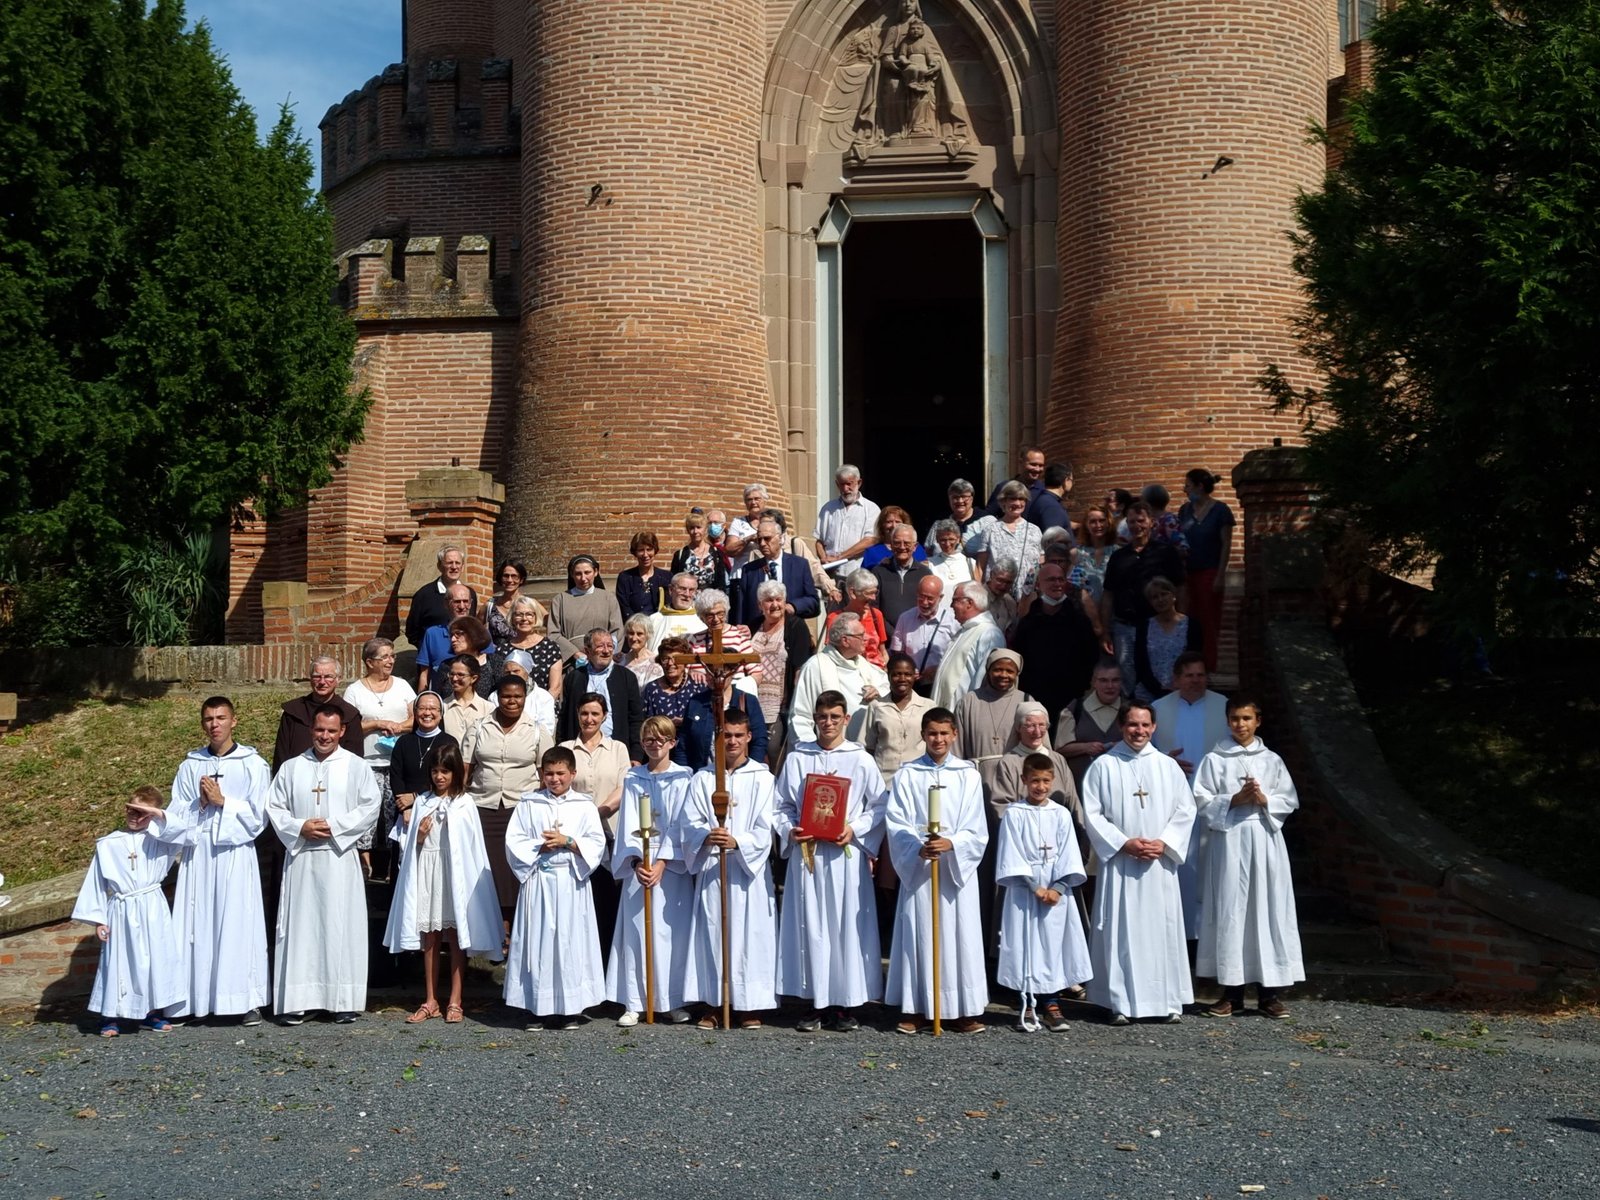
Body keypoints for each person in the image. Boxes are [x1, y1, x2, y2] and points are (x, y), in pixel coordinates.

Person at [774, 692, 887, 1031]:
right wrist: (790, 830)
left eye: (835, 717)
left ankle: (842, 1003)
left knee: (843, 926)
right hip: (808, 854)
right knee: (810, 924)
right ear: (814, 719)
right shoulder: (798, 758)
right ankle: (813, 1001)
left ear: (846, 719)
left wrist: (855, 829)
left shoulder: (860, 759)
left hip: (843, 856)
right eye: (822, 716)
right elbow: (780, 806)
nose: (828, 723)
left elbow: (879, 805)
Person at [156, 697, 271, 1026]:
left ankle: (244, 1000)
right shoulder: (190, 765)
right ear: (202, 724)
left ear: (234, 721)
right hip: (199, 854)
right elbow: (176, 812)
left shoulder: (253, 764)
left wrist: (224, 802)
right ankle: (193, 1000)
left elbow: (261, 815)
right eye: (209, 719)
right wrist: (200, 805)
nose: (215, 724)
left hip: (235, 853)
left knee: (238, 923)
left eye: (221, 718)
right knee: (196, 925)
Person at [1081, 701, 1196, 1025]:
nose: (1139, 731)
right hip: (1122, 863)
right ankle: (1119, 1001)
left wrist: (1165, 842)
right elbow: (1092, 813)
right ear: (1122, 726)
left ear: (1154, 727)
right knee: (1122, 930)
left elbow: (1186, 810)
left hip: (1158, 864)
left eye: (1145, 725)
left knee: (1162, 929)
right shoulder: (1104, 766)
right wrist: (1123, 842)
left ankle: (1167, 1000)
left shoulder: (1168, 767)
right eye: (1133, 724)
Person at [266, 705, 381, 1025]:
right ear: (311, 730)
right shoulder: (291, 768)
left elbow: (370, 806)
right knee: (301, 928)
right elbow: (274, 806)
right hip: (302, 857)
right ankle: (298, 1001)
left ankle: (341, 1000)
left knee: (340, 925)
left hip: (338, 857)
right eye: (319, 730)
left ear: (342, 731)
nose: (325, 736)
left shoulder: (356, 766)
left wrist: (335, 827)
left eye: (331, 730)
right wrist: (299, 827)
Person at [1193, 697, 1304, 1018]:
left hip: (1265, 839)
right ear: (1227, 721)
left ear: (1258, 721)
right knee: (1232, 911)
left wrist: (1265, 799)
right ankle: (1232, 993)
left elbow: (1289, 799)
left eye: (1246, 718)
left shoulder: (1272, 760)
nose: (1240, 724)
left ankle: (1269, 994)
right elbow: (1200, 799)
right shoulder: (1214, 759)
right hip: (1229, 841)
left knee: (1266, 909)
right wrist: (1233, 800)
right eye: (1234, 718)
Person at [884, 707, 989, 1035]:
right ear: (923, 735)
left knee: (960, 936)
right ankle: (917, 1007)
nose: (938, 739)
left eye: (944, 733)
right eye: (932, 733)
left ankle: (960, 1009)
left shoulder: (968, 775)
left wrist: (953, 843)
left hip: (955, 871)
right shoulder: (908, 774)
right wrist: (918, 846)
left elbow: (976, 826)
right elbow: (896, 821)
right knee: (920, 933)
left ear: (954, 734)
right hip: (921, 869)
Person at [384, 743, 503, 1024]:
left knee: (455, 934)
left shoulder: (464, 803)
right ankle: (430, 1000)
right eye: (435, 771)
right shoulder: (422, 801)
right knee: (430, 937)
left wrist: (451, 827)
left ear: (455, 773)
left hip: (455, 873)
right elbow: (410, 846)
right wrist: (419, 835)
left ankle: (455, 1000)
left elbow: (471, 845)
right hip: (429, 871)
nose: (439, 777)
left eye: (445, 772)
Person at [683, 708, 779, 1027]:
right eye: (727, 735)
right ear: (718, 738)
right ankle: (715, 1001)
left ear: (749, 736)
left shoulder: (763, 779)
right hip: (714, 868)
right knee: (714, 933)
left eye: (739, 735)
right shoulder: (703, 778)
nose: (733, 741)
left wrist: (739, 841)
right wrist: (706, 835)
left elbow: (767, 825)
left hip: (748, 873)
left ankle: (749, 1004)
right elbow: (689, 822)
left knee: (750, 936)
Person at [264, 657, 363, 958]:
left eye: (328, 677)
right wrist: (296, 824)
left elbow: (355, 775)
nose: (322, 681)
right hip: (298, 817)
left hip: (336, 829)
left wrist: (336, 825)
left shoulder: (349, 715)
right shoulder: (293, 713)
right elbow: (281, 761)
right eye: (317, 676)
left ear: (338, 680)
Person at [503, 746, 607, 1031]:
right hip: (539, 880)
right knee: (538, 943)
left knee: (569, 943)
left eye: (560, 773)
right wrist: (540, 846)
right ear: (542, 774)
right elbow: (514, 840)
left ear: (573, 773)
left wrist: (568, 842)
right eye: (549, 773)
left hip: (571, 881)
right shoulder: (529, 803)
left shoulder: (584, 806)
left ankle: (569, 1008)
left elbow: (596, 843)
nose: (554, 779)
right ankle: (537, 1007)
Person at [606, 716, 697, 1026]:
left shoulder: (684, 778)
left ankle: (672, 1001)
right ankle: (635, 1001)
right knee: (637, 933)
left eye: (661, 738)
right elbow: (628, 823)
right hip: (639, 865)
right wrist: (636, 862)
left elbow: (682, 823)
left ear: (672, 742)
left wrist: (662, 862)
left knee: (670, 934)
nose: (654, 743)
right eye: (648, 738)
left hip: (670, 867)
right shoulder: (634, 778)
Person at [74, 788, 184, 1036]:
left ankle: (152, 1012)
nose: (135, 816)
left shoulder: (161, 840)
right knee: (119, 961)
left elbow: (183, 830)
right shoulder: (109, 843)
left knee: (154, 960)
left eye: (142, 812)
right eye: (131, 810)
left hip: (152, 906)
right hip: (122, 908)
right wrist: (99, 919)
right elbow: (96, 882)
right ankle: (111, 1015)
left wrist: (156, 814)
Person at [995, 754, 1092, 1032]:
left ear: (1053, 780)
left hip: (1056, 891)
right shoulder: (1014, 813)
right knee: (1025, 944)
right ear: (1024, 780)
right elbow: (1011, 853)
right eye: (1035, 781)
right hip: (1025, 892)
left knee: (1053, 945)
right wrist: (1034, 886)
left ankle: (1051, 1003)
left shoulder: (1060, 813)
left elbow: (1069, 854)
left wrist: (1058, 888)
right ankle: (1027, 1002)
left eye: (1046, 781)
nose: (1040, 786)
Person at [1151, 652, 1229, 938]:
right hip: (1173, 801)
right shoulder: (1157, 709)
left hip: (1214, 801)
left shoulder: (1223, 706)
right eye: (1189, 675)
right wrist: (1165, 759)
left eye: (1200, 675)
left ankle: (1210, 937)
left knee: (1211, 870)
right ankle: (1178, 935)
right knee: (1180, 867)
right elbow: (1144, 751)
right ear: (1176, 679)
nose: (1195, 681)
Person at [462, 674, 552, 914]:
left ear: (525, 698)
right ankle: (489, 921)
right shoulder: (479, 727)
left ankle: (516, 920)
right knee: (487, 865)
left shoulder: (537, 730)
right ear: (497, 697)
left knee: (516, 864)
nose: (512, 701)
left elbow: (546, 774)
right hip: (483, 806)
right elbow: (465, 769)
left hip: (521, 808)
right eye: (506, 696)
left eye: (518, 696)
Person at [344, 636, 416, 881]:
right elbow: (349, 727)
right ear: (369, 662)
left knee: (393, 811)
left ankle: (391, 865)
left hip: (396, 761)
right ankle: (365, 864)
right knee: (368, 811)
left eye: (392, 656)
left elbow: (416, 718)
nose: (390, 661)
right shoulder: (354, 691)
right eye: (384, 657)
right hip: (367, 762)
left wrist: (398, 726)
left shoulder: (402, 686)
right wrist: (376, 723)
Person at [1100, 499, 1186, 687]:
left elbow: (1180, 587)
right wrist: (1105, 630)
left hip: (1158, 625)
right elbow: (1108, 594)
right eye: (1131, 521)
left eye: (1140, 520)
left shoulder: (1166, 553)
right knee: (1127, 678)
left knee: (1160, 674)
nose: (1136, 526)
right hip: (1125, 627)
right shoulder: (1118, 557)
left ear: (1151, 522)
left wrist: (1179, 619)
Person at [1012, 560, 1100, 731]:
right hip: (1035, 702)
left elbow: (1091, 657)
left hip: (1070, 703)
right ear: (1038, 585)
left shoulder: (1079, 620)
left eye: (1061, 579)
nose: (1057, 584)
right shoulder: (1028, 623)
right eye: (1051, 580)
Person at [787, 612, 889, 744]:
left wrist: (878, 691)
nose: (867, 638)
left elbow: (886, 687)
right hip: (828, 749)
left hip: (865, 747)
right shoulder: (816, 666)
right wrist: (811, 748)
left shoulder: (864, 665)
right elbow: (800, 715)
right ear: (845, 640)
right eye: (861, 635)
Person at [744, 579, 815, 763]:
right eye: (769, 600)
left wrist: (795, 704)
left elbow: (800, 668)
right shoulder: (752, 626)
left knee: (774, 751)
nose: (775, 604)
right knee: (751, 753)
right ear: (760, 605)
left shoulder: (796, 626)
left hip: (779, 707)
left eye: (779, 599)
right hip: (752, 703)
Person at [1177, 469, 1235, 672]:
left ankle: (1208, 667)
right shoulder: (1185, 511)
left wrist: (1220, 575)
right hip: (1187, 574)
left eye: (1188, 485)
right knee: (1188, 620)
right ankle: (1190, 667)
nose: (1185, 489)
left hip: (1209, 572)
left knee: (1208, 622)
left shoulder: (1220, 510)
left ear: (1199, 486)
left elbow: (1226, 544)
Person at [558, 628, 644, 762]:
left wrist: (636, 755)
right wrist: (562, 753)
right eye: (600, 646)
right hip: (579, 752)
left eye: (610, 646)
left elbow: (636, 718)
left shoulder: (626, 677)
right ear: (587, 651)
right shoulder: (574, 677)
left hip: (615, 752)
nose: (606, 651)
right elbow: (564, 718)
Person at [388, 690, 458, 839]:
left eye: (433, 709)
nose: (427, 713)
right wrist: (405, 807)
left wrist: (416, 797)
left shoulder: (449, 743)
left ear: (441, 713)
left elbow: (449, 779)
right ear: (415, 712)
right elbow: (396, 776)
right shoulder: (403, 742)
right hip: (405, 811)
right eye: (422, 708)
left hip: (438, 808)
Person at [862, 653, 935, 787]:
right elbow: (868, 747)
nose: (902, 679)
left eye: (907, 674)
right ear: (888, 675)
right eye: (896, 674)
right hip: (883, 782)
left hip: (917, 781)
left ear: (914, 676)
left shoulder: (928, 706)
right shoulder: (876, 706)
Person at [930, 581, 1005, 710]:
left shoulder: (989, 634)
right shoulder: (964, 631)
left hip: (964, 712)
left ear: (969, 603)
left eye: (955, 600)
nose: (951, 605)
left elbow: (984, 679)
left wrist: (971, 713)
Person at [730, 517, 819, 626]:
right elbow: (742, 609)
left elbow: (813, 602)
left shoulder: (799, 565)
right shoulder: (749, 570)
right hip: (758, 631)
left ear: (780, 538)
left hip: (790, 629)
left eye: (767, 538)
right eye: (759, 540)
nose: (762, 543)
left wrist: (793, 606)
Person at [1056, 658, 1126, 793]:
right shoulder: (1075, 710)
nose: (1110, 686)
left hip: (1121, 787)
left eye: (1115, 680)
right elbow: (1060, 749)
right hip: (1082, 788)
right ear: (1094, 682)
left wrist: (1124, 746)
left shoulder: (1131, 710)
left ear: (1121, 682)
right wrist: (1085, 747)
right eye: (1103, 680)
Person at [813, 464, 882, 596]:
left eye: (849, 484)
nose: (845, 489)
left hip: (857, 574)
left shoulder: (871, 509)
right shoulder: (828, 508)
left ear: (859, 483)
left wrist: (839, 557)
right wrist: (824, 559)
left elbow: (870, 541)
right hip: (831, 575)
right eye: (841, 484)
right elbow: (819, 540)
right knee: (833, 608)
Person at [1134, 575, 1204, 703]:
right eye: (1155, 597)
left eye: (1164, 594)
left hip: (1183, 692)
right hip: (1149, 693)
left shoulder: (1192, 625)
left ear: (1173, 595)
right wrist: (1157, 689)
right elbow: (1140, 663)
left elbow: (1194, 660)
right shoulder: (1144, 627)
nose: (1160, 599)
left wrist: (1179, 686)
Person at [974, 481, 1043, 599]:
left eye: (1021, 499)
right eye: (1013, 499)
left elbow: (1041, 563)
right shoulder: (990, 530)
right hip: (997, 597)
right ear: (1003, 501)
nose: (1017, 503)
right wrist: (978, 595)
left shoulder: (1035, 530)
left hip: (1027, 597)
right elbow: (980, 567)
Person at [548, 554, 624, 659]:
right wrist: (575, 653)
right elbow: (553, 634)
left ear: (596, 572)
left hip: (603, 658)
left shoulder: (608, 598)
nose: (583, 578)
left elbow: (617, 631)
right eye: (578, 574)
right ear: (572, 574)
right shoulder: (560, 600)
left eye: (587, 572)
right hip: (572, 661)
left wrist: (608, 654)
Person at [405, 544, 477, 654]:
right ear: (439, 566)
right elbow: (412, 632)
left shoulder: (469, 594)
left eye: (457, 563)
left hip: (463, 656)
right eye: (449, 563)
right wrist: (430, 650)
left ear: (462, 567)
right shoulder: (424, 595)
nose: (454, 567)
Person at [889, 574, 955, 693]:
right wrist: (908, 669)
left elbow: (957, 657)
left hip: (939, 685)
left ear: (940, 598)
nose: (924, 603)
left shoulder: (953, 621)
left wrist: (939, 669)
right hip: (912, 686)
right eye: (921, 597)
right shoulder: (905, 618)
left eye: (930, 598)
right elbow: (897, 652)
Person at [416, 584, 481, 691]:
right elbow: (424, 674)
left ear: (471, 603)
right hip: (441, 697)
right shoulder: (432, 634)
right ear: (446, 604)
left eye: (465, 601)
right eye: (457, 602)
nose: (462, 606)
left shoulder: (480, 633)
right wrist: (422, 697)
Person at [502, 595, 564, 704]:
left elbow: (555, 687)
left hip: (543, 707)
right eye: (519, 614)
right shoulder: (502, 649)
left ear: (536, 617)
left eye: (529, 614)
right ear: (512, 618)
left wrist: (540, 708)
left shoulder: (550, 648)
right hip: (510, 707)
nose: (524, 619)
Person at [824, 570, 889, 669]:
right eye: (869, 593)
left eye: (875, 593)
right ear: (853, 592)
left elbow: (882, 651)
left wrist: (882, 668)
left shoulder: (876, 615)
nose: (874, 598)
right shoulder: (835, 618)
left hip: (876, 672)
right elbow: (831, 653)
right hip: (849, 671)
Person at [641, 636, 707, 730]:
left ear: (686, 661)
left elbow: (707, 721)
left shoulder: (698, 686)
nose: (670, 663)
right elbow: (646, 723)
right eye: (665, 658)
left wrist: (685, 722)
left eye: (676, 658)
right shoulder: (652, 689)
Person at [482, 558, 542, 651]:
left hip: (524, 655)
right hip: (496, 657)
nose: (510, 580)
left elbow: (551, 623)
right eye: (506, 576)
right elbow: (475, 631)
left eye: (514, 576)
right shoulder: (489, 605)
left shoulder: (530, 604)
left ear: (521, 580)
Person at [616, 531, 674, 622]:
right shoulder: (625, 578)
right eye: (641, 550)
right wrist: (637, 624)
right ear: (635, 552)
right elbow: (624, 607)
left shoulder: (666, 577)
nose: (645, 555)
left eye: (649, 549)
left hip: (659, 625)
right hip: (633, 626)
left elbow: (669, 606)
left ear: (655, 551)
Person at [447, 614, 505, 701]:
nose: (453, 639)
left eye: (458, 634)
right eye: (451, 635)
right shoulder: (446, 666)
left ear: (473, 634)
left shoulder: (494, 662)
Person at [439, 654, 494, 745]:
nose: (454, 678)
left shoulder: (488, 709)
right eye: (452, 674)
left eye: (460, 675)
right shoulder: (442, 706)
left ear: (473, 678)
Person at [646, 572, 705, 653]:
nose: (687, 594)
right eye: (682, 589)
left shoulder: (702, 621)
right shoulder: (653, 619)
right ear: (671, 590)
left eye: (691, 590)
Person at [671, 510, 728, 593]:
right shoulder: (680, 554)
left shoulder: (716, 553)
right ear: (688, 530)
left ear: (705, 529)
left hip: (709, 598)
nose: (695, 531)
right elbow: (674, 582)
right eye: (692, 528)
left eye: (698, 527)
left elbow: (721, 583)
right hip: (687, 598)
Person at [925, 518, 979, 604]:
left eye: (951, 539)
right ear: (937, 540)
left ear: (958, 539)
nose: (947, 544)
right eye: (943, 540)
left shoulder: (970, 563)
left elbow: (977, 593)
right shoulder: (929, 564)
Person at [859, 505, 924, 571]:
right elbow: (863, 575)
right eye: (889, 522)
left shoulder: (916, 548)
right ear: (882, 525)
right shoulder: (872, 552)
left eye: (897, 522)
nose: (894, 526)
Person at [984, 447, 1047, 514]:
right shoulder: (1004, 488)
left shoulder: (1044, 491)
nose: (1037, 469)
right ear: (1021, 462)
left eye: (1041, 465)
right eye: (1033, 464)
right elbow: (988, 515)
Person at [724, 482, 772, 562]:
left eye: (757, 499)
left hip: (768, 567)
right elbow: (729, 550)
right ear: (745, 503)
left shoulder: (773, 521)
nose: (753, 502)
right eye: (749, 499)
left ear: (765, 500)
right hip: (743, 568)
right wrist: (748, 539)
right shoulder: (738, 522)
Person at [1025, 462, 1074, 532]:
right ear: (1066, 481)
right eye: (1071, 480)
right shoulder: (1051, 505)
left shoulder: (1045, 500)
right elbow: (1053, 536)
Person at [619, 613, 663, 686]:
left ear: (648, 635)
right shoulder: (620, 660)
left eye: (639, 634)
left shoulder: (654, 663)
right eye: (631, 633)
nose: (634, 638)